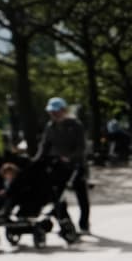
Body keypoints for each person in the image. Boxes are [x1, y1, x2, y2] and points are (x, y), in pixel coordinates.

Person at [36, 97, 91, 231]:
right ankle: (65, 222)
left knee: (81, 196)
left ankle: (84, 224)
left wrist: (70, 157)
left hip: (77, 166)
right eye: (51, 112)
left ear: (63, 110)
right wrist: (36, 161)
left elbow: (82, 147)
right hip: (59, 167)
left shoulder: (75, 125)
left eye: (56, 111)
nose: (54, 114)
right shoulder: (50, 127)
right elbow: (45, 146)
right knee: (58, 195)